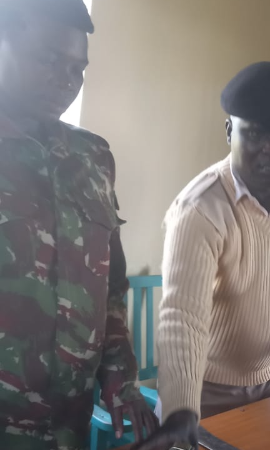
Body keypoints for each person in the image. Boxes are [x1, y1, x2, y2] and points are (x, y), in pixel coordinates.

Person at [134, 62, 270, 450]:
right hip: (204, 393)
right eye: (256, 134)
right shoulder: (200, 208)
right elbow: (182, 318)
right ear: (229, 130)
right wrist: (181, 411)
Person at [0, 1, 158, 449]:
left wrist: (121, 381)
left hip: (69, 424)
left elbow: (109, 289)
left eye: (78, 68)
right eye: (50, 60)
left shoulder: (93, 159)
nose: (66, 80)